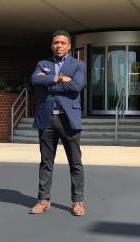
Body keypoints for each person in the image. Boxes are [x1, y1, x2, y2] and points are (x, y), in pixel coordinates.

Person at [29, 30, 86, 216]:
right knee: (46, 162)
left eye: (62, 43)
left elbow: (76, 86)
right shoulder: (43, 64)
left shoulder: (78, 65)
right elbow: (35, 80)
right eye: (55, 43)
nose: (59, 46)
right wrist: (58, 78)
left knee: (75, 163)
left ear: (69, 45)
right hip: (47, 119)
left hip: (68, 119)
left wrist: (50, 85)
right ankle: (43, 200)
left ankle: (77, 202)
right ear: (51, 45)